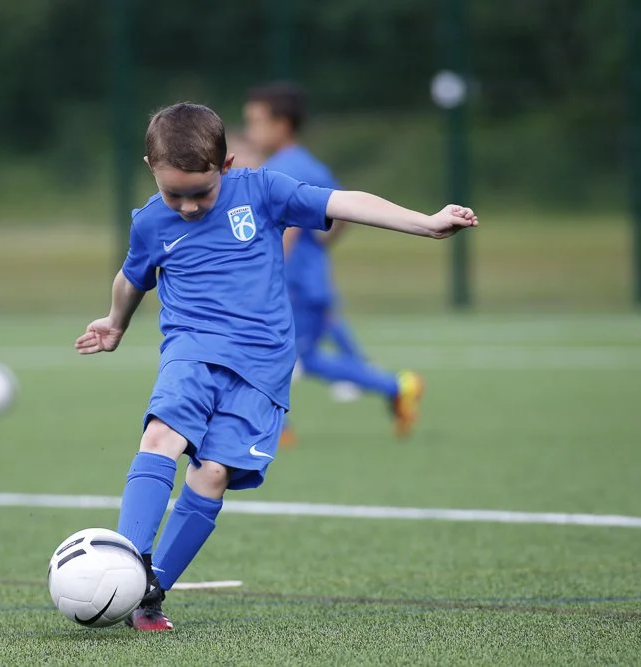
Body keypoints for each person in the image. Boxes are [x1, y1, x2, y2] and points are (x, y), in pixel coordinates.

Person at [74, 102, 477, 631]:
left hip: (262, 367)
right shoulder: (151, 221)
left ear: (228, 164)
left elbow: (346, 201)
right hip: (191, 351)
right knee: (161, 437)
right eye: (176, 193)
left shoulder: (261, 191)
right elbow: (131, 278)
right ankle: (128, 562)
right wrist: (116, 322)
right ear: (150, 166)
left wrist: (424, 224)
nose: (190, 207)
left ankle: (149, 594)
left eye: (201, 192)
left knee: (213, 473)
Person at [244, 82, 424, 441]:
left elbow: (289, 231)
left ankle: (273, 428)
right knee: (299, 357)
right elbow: (342, 214)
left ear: (282, 125)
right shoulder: (312, 165)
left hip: (290, 283)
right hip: (309, 279)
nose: (250, 130)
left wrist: (263, 276)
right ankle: (394, 387)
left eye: (256, 121)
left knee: (266, 350)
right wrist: (322, 247)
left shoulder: (280, 169)